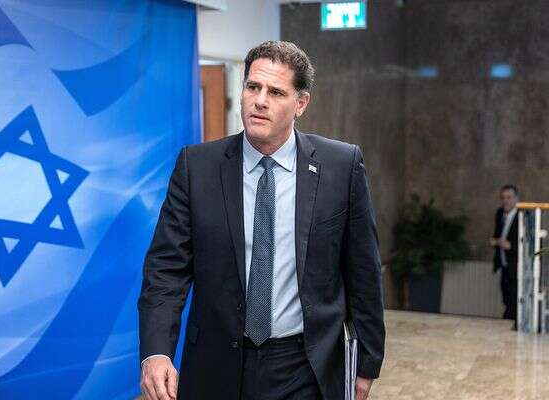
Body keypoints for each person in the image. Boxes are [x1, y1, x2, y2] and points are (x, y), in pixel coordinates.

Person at [137, 40, 385, 400]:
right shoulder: (198, 167)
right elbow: (166, 269)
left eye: (276, 92)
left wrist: (367, 361)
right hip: (216, 363)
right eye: (252, 87)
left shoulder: (341, 166)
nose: (260, 100)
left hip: (306, 364)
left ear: (301, 103)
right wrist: (156, 352)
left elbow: (363, 271)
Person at [489, 184, 519, 321]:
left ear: (516, 198)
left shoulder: (523, 215)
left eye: (509, 197)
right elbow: (498, 235)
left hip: (517, 267)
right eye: (503, 198)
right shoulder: (500, 213)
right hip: (504, 266)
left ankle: (508, 327)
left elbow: (529, 244)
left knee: (513, 304)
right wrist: (495, 241)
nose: (505, 201)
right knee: (506, 299)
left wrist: (510, 246)